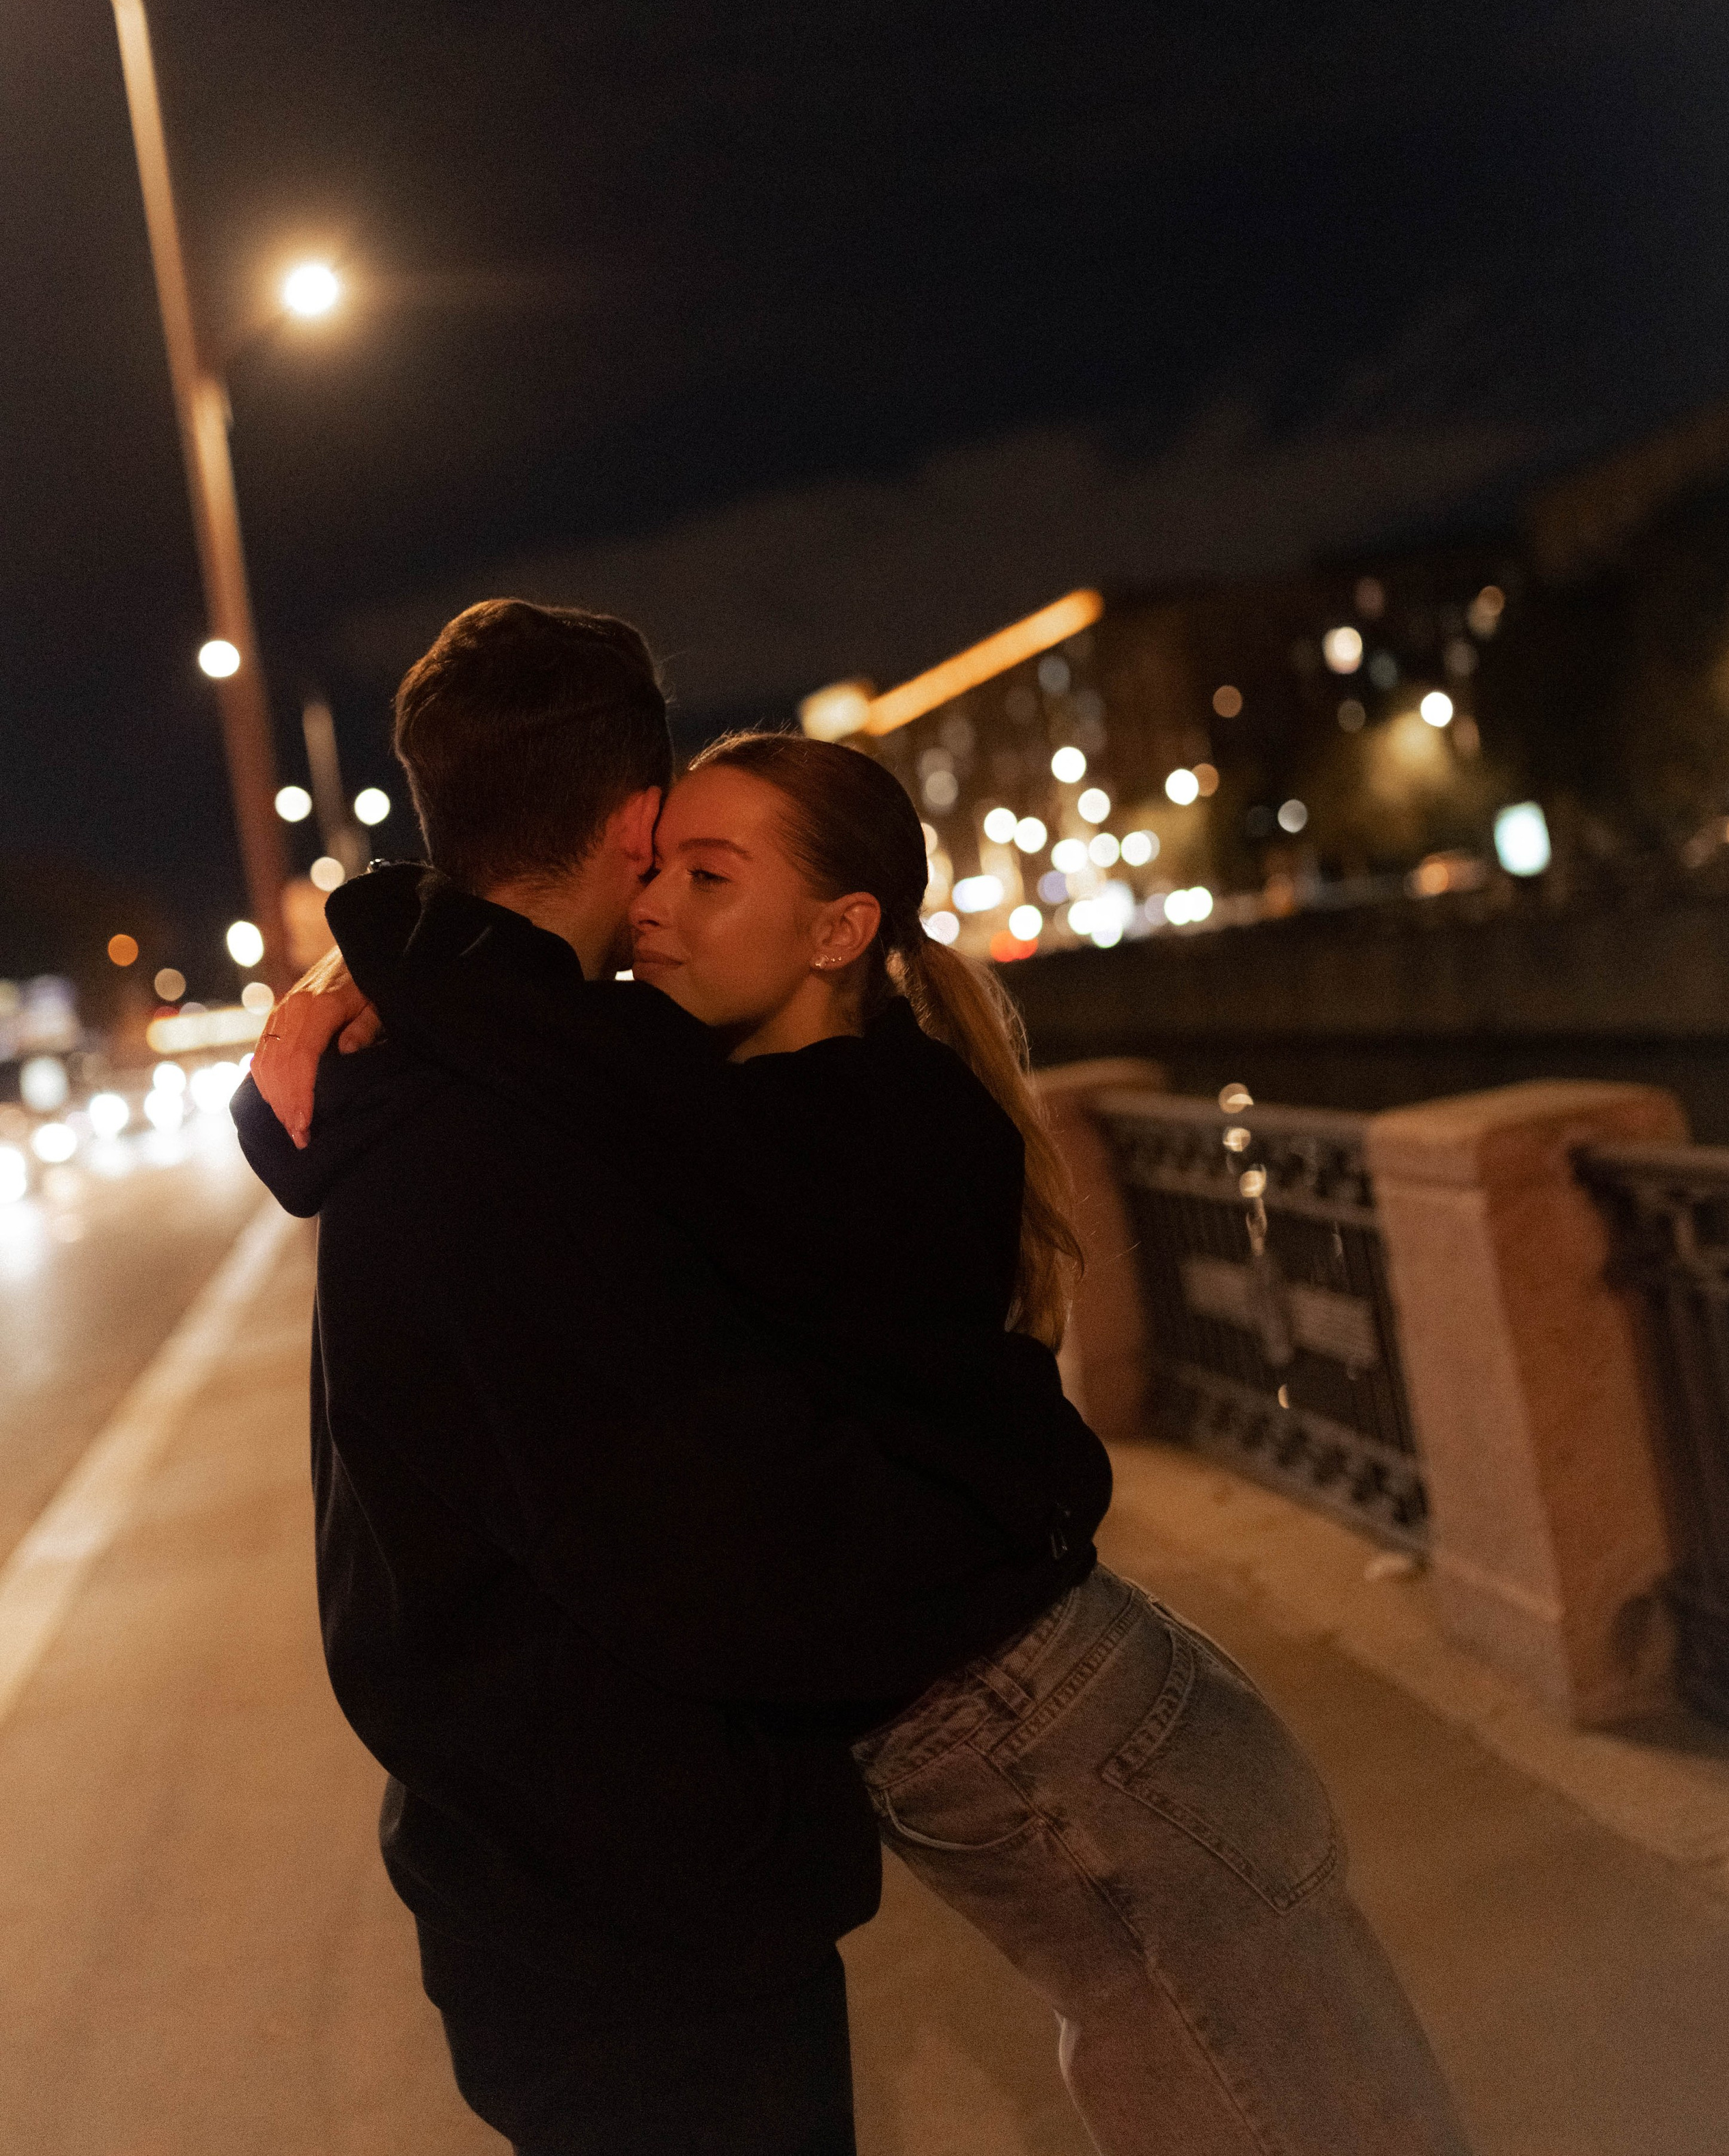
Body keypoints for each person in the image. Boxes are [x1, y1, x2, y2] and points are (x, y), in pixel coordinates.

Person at [257, 631, 1475, 2154]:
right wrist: (373, 980)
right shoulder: (637, 1101)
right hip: (771, 1843)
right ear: (628, 820)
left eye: (714, 879)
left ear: (838, 932)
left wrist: (387, 975)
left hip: (1088, 1737)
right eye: (669, 864)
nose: (660, 909)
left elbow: (562, 1079)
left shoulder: (829, 1123)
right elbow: (564, 1070)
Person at [233, 600, 1110, 2156]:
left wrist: (377, 966)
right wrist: (1024, 1503)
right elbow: (732, 1549)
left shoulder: (474, 1078)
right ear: (634, 819)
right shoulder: (528, 1130)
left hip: (533, 1882)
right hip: (638, 1919)